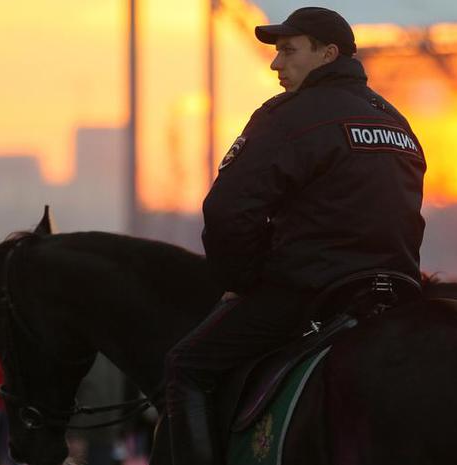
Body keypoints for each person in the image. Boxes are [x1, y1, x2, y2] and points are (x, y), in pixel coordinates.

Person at [164, 6, 426, 464]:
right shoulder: (395, 120)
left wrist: (239, 281)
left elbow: (227, 211)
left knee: (185, 367)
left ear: (327, 54)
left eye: (287, 50)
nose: (275, 63)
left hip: (311, 292)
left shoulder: (289, 116)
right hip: (398, 292)